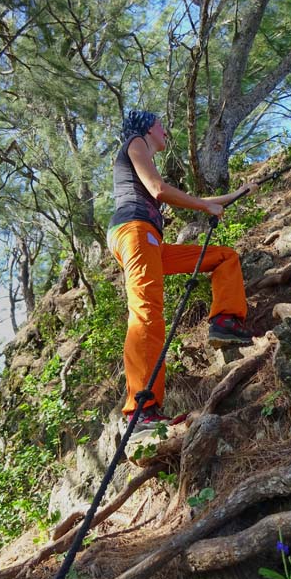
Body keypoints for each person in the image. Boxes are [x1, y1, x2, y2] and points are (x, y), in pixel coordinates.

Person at [107, 110, 257, 432]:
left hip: (151, 243)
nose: (165, 130)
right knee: (146, 312)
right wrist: (204, 207)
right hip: (135, 233)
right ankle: (141, 411)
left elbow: (186, 197)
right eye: (161, 125)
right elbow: (158, 189)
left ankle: (225, 322)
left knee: (223, 257)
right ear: (147, 128)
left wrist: (234, 195)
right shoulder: (135, 142)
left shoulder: (144, 152)